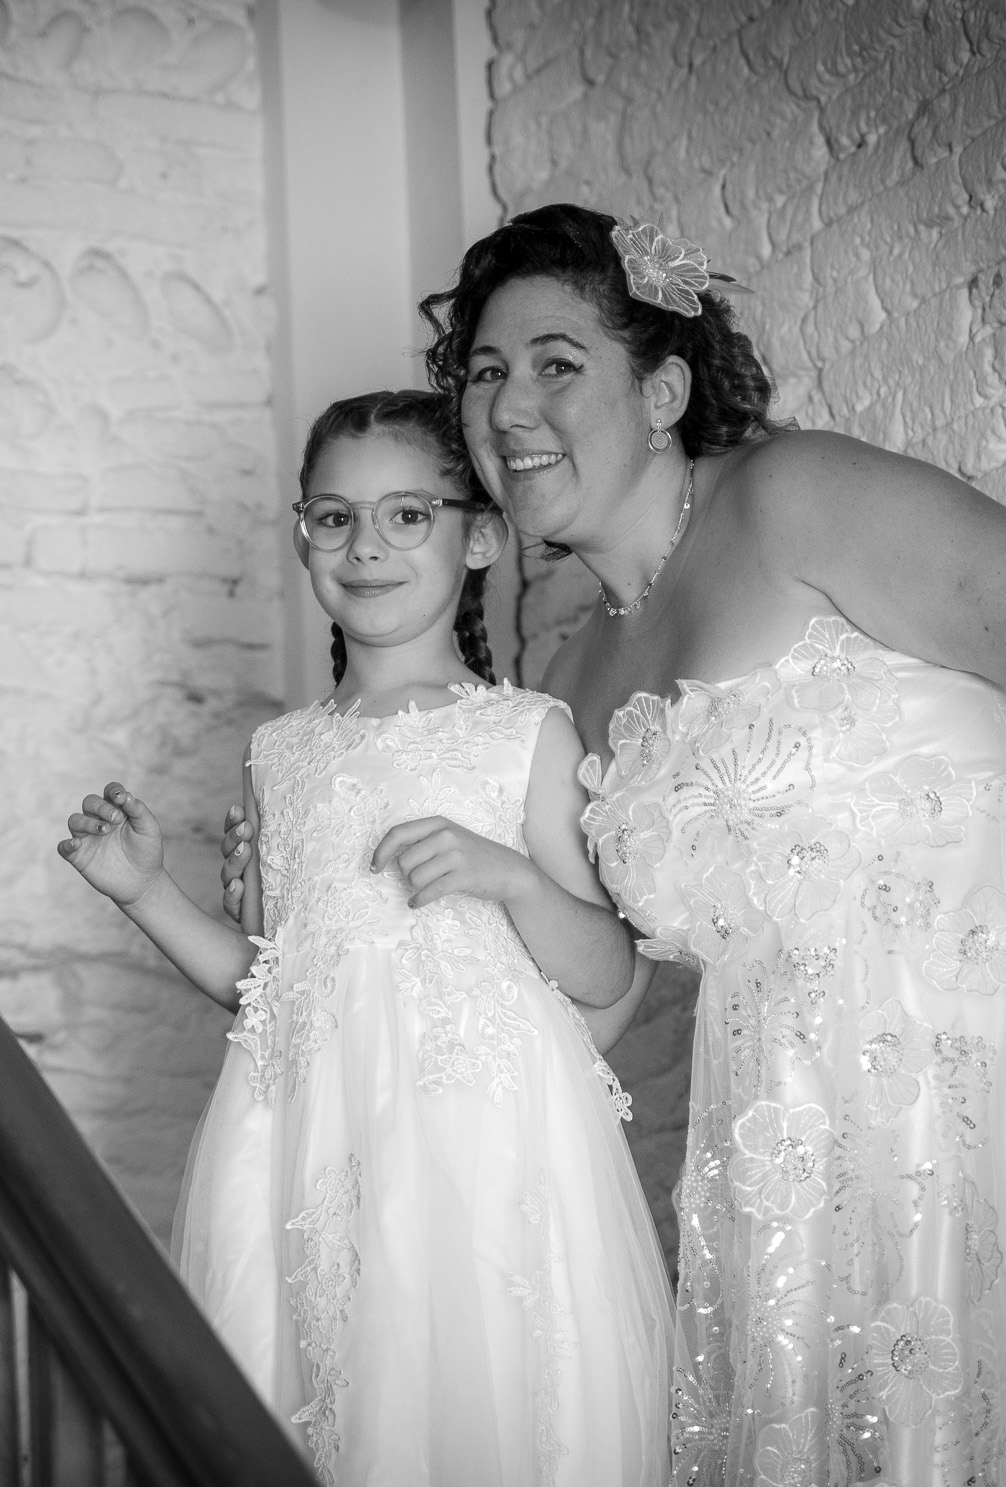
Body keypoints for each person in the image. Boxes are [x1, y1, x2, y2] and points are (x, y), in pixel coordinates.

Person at [222, 203, 1006, 1483]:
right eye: (481, 372)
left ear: (661, 391)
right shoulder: (567, 680)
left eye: (554, 363)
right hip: (791, 1134)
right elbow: (569, 991)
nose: (509, 405)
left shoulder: (792, 495)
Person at [60, 389, 675, 1487]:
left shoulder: (522, 733)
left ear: (477, 537)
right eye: (335, 518)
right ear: (303, 536)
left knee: (469, 1394)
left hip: (478, 1141)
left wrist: (509, 878)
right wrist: (144, 890)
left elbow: (607, 971)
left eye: (407, 514)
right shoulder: (278, 750)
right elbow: (268, 987)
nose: (367, 545)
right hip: (307, 1137)